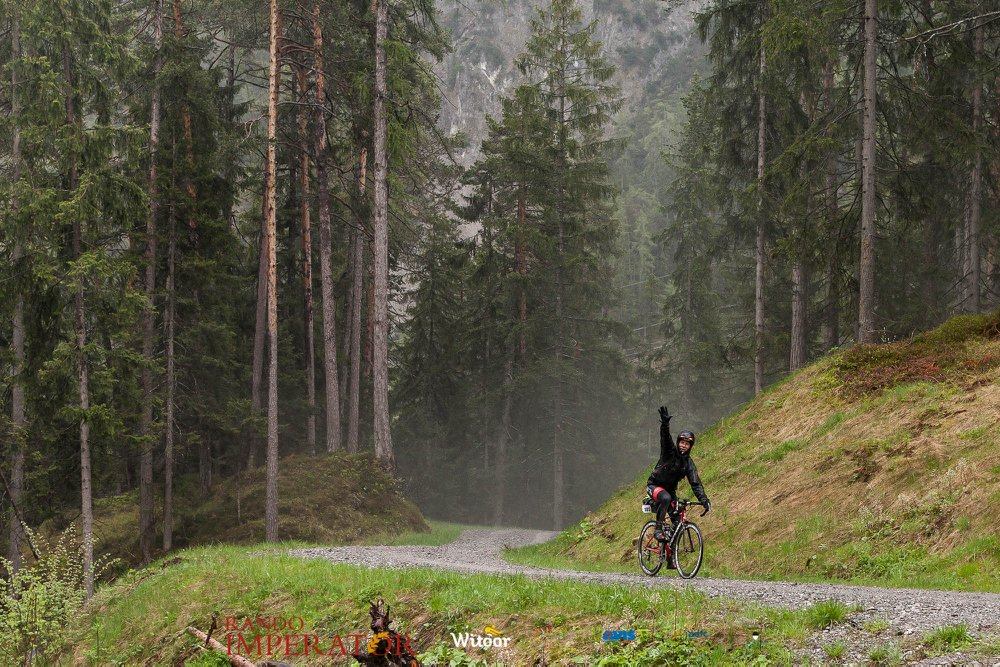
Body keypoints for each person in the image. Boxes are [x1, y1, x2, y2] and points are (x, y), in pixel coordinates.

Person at [646, 406, 710, 540]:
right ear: (678, 442)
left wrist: (704, 500)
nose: (683, 445)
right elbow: (665, 438)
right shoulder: (669, 452)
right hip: (654, 485)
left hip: (670, 491)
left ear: (690, 446)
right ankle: (657, 530)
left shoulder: (688, 463)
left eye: (687, 444)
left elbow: (695, 483)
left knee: (677, 522)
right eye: (682, 442)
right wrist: (665, 424)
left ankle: (671, 558)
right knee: (665, 498)